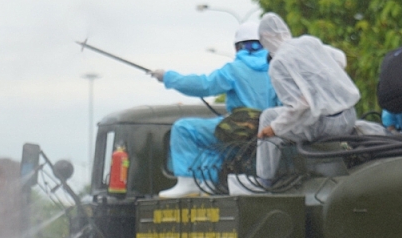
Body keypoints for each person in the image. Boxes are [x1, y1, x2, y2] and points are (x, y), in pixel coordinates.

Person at [151, 21, 278, 197]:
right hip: (268, 135)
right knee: (216, 141)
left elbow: (203, 86)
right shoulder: (277, 68)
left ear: (238, 47)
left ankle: (189, 183)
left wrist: (168, 77)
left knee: (185, 128)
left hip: (239, 132)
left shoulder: (234, 69)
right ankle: (209, 185)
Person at [255, 13, 359, 181]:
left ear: (265, 38)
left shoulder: (278, 63)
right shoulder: (308, 42)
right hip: (348, 116)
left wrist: (274, 128)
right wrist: (322, 84)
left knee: (268, 117)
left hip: (325, 126)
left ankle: (264, 180)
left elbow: (300, 106)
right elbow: (340, 58)